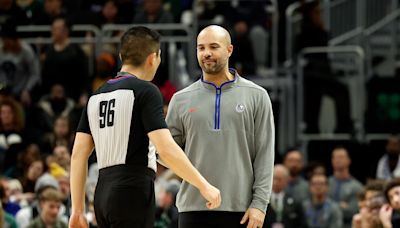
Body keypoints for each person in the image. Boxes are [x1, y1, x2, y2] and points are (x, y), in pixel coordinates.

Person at [69, 26, 221, 228]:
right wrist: (204, 185)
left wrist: (77, 210)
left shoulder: (96, 95)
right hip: (132, 191)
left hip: (102, 193)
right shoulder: (146, 91)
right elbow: (165, 150)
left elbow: (78, 154)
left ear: (122, 56)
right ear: (153, 58)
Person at [166, 25, 275, 228]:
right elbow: (166, 152)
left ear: (229, 50)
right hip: (193, 209)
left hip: (242, 210)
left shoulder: (257, 95)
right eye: (201, 48)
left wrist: (260, 204)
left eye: (214, 47)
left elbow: (264, 154)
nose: (206, 53)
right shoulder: (180, 99)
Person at [328, 146, 363, 228]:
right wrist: (340, 205)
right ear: (332, 161)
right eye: (335, 157)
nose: (338, 160)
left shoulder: (357, 186)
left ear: (349, 160)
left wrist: (330, 205)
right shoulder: (325, 183)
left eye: (341, 157)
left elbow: (353, 211)